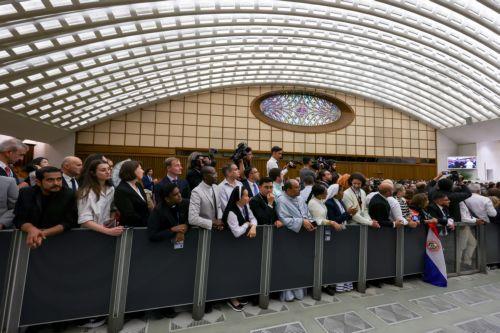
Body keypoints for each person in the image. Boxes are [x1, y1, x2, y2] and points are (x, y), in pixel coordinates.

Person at [14, 166, 77, 249]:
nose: (56, 183)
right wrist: (32, 229)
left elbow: (70, 222)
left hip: (60, 240)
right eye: (50, 180)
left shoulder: (69, 194)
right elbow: (19, 219)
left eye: (59, 179)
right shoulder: (26, 193)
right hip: (27, 240)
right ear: (38, 182)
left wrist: (42, 233)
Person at [276, 179, 315, 301]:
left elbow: (306, 213)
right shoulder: (281, 200)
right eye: (297, 188)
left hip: (302, 236)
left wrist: (309, 221)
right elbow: (283, 219)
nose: (299, 189)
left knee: (300, 264)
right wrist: (301, 221)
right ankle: (288, 294)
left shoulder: (300, 198)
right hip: (289, 237)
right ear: (288, 190)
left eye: (299, 187)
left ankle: (299, 290)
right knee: (289, 265)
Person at [221, 185, 257, 311]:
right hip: (231, 246)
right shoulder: (231, 212)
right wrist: (247, 225)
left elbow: (253, 219)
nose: (248, 197)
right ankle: (232, 298)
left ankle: (238, 294)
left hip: (241, 248)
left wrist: (253, 227)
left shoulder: (245, 206)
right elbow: (236, 232)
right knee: (232, 272)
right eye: (246, 195)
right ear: (238, 198)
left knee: (240, 271)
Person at [77, 160, 123, 237]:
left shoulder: (111, 189)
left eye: (108, 169)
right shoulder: (86, 191)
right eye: (103, 170)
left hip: (106, 231)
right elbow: (84, 220)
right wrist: (108, 231)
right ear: (93, 173)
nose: (108, 172)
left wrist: (111, 219)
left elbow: (112, 209)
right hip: (89, 233)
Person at [325, 183, 357, 293]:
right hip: (333, 235)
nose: (343, 193)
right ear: (335, 192)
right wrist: (347, 213)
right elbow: (334, 219)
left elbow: (343, 217)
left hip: (342, 234)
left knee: (342, 260)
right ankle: (331, 284)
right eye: (341, 191)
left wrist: (350, 214)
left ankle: (343, 283)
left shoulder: (341, 202)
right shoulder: (329, 203)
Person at [114, 160, 150, 227]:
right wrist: (148, 221)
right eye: (140, 168)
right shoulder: (121, 190)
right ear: (133, 171)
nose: (143, 171)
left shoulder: (138, 185)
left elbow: (144, 207)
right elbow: (129, 214)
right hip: (132, 227)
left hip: (143, 225)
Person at [188, 166, 224, 231]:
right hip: (203, 230)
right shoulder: (196, 192)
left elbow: (218, 207)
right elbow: (192, 219)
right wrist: (212, 223)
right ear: (205, 176)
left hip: (218, 230)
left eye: (216, 173)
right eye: (213, 174)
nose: (216, 175)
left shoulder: (216, 187)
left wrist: (220, 220)